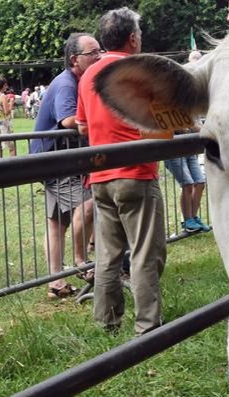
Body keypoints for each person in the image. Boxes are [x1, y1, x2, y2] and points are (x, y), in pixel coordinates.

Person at [76, 8, 166, 336]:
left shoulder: (87, 76)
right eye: (140, 34)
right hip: (137, 174)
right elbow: (164, 123)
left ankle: (106, 323)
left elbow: (83, 127)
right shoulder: (142, 70)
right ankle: (148, 327)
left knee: (108, 255)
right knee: (145, 252)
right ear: (132, 38)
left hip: (100, 177)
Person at [32, 32, 102, 299]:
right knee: (88, 204)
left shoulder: (78, 80)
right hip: (56, 161)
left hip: (56, 160)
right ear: (75, 59)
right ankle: (82, 263)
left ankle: (56, 283)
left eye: (100, 50)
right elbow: (68, 121)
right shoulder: (66, 84)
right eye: (92, 53)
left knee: (56, 223)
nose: (99, 56)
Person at [165, 51, 212, 234]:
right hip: (174, 149)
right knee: (187, 183)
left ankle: (194, 217)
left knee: (199, 182)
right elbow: (187, 124)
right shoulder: (166, 100)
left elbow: (191, 123)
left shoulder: (188, 99)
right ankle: (187, 220)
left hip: (190, 148)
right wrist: (205, 131)